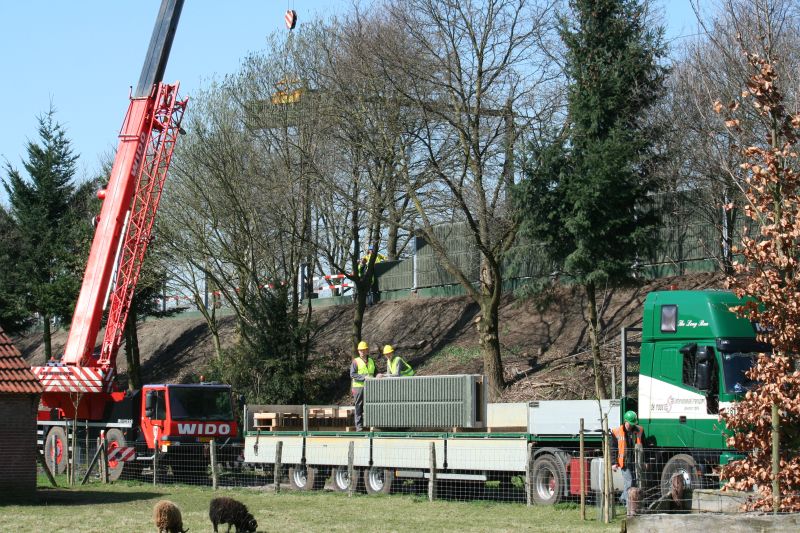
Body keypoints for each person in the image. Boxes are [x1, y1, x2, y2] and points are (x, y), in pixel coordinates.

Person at [611, 410, 644, 507]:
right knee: (629, 482)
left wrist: (645, 461)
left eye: (633, 423)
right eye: (630, 423)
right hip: (624, 462)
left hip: (636, 461)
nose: (632, 425)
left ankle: (622, 498)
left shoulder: (639, 430)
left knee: (633, 482)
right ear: (625, 421)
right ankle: (628, 505)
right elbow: (612, 449)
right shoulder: (616, 432)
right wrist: (613, 463)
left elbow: (644, 445)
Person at [350, 340, 376, 431]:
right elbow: (352, 374)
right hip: (358, 387)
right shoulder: (355, 361)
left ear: (367, 350)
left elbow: (375, 373)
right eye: (360, 350)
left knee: (371, 405)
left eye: (364, 350)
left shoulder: (371, 361)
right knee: (359, 406)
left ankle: (372, 425)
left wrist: (379, 375)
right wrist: (364, 377)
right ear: (358, 351)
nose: (362, 352)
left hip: (370, 387)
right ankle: (359, 427)